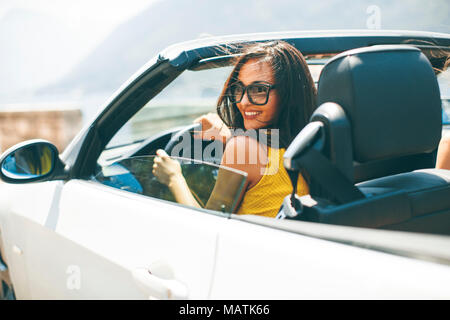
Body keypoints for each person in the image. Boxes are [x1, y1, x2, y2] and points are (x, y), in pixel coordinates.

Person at [152, 40, 317, 217]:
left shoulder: (244, 148)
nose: (243, 102)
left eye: (259, 89)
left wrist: (173, 177)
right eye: (239, 89)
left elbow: (207, 227)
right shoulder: (315, 140)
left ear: (289, 93)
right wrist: (230, 136)